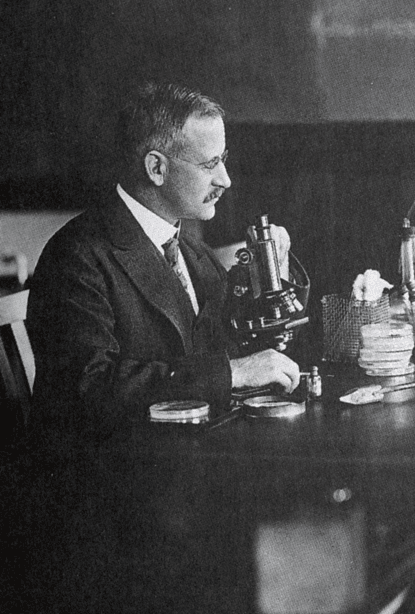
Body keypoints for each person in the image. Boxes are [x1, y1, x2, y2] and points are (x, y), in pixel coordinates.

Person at [26, 82, 302, 445]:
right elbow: (89, 389)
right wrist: (232, 373)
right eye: (210, 164)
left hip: (186, 452)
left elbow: (225, 346)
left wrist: (270, 275)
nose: (225, 180)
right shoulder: (76, 257)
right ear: (156, 168)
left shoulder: (190, 251)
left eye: (224, 159)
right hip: (115, 477)